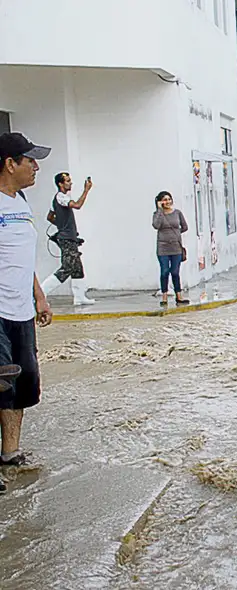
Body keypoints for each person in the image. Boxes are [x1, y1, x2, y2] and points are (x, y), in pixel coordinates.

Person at [0, 132, 54, 492]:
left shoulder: (20, 201)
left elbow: (23, 257)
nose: (36, 167)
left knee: (21, 386)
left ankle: (9, 454)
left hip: (22, 311)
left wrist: (39, 296)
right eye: (29, 160)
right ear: (9, 164)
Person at [39, 172, 95, 305]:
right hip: (66, 239)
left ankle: (79, 297)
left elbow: (50, 217)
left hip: (69, 237)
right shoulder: (61, 197)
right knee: (67, 268)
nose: (70, 183)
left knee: (77, 268)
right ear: (60, 184)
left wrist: (61, 225)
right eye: (67, 181)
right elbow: (77, 205)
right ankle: (41, 293)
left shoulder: (57, 199)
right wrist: (86, 190)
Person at [152, 192, 191, 307]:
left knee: (175, 272)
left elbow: (185, 227)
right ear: (160, 202)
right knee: (164, 271)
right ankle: (164, 296)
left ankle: (179, 296)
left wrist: (175, 235)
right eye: (164, 200)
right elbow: (156, 225)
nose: (167, 202)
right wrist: (159, 210)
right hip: (163, 248)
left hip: (176, 247)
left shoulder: (177, 213)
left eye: (169, 199)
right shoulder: (157, 214)